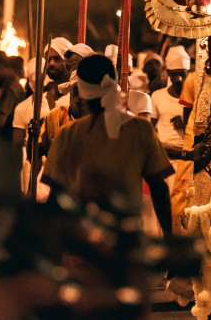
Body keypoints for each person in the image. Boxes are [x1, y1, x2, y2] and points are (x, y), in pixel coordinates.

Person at [44, 54, 175, 238]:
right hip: (125, 237)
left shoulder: (67, 134)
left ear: (80, 90)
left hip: (81, 238)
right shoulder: (140, 129)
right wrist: (168, 236)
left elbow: (55, 195)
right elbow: (158, 188)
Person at [152, 46, 189, 160]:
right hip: (164, 154)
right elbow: (150, 129)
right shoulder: (157, 96)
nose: (179, 79)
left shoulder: (195, 99)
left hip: (187, 155)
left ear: (188, 72)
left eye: (182, 74)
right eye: (174, 74)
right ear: (168, 73)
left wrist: (187, 124)